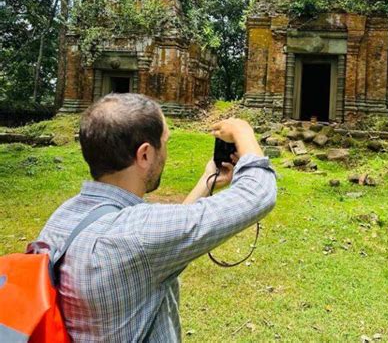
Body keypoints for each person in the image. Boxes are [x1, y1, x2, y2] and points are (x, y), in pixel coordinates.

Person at [37, 93, 277, 342]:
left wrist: (207, 182)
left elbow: (160, 241)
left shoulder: (64, 217)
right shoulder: (137, 235)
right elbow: (258, 193)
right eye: (165, 142)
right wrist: (243, 131)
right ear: (144, 155)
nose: (166, 151)